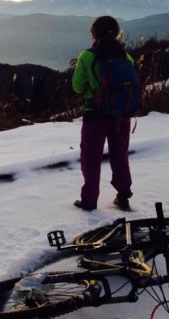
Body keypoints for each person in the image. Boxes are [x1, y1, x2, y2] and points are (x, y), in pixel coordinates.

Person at [71, 15, 133, 212]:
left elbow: (77, 87)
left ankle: (89, 201)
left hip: (94, 115)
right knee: (120, 155)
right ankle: (123, 196)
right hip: (121, 116)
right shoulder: (126, 56)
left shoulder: (87, 56)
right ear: (116, 34)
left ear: (93, 34)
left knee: (91, 158)